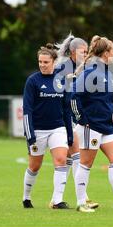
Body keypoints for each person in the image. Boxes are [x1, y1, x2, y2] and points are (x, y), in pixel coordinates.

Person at [71, 35, 113, 213]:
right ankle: (81, 203)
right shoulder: (91, 72)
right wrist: (82, 119)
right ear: (105, 53)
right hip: (90, 126)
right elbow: (74, 97)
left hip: (107, 126)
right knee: (86, 163)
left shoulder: (108, 73)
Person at [21, 44, 74, 209]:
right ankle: (26, 197)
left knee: (61, 161)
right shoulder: (32, 81)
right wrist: (30, 134)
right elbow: (27, 109)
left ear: (54, 61)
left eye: (46, 62)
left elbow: (66, 109)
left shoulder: (61, 80)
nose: (42, 65)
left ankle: (57, 201)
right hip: (37, 130)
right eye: (40, 62)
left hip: (57, 128)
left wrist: (69, 132)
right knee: (34, 166)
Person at [54, 33, 99, 209]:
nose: (85, 54)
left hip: (70, 118)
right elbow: (58, 92)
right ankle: (81, 197)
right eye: (82, 51)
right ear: (72, 52)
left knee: (70, 158)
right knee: (75, 157)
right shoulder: (64, 67)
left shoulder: (82, 68)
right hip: (61, 119)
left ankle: (57, 199)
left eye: (87, 51)